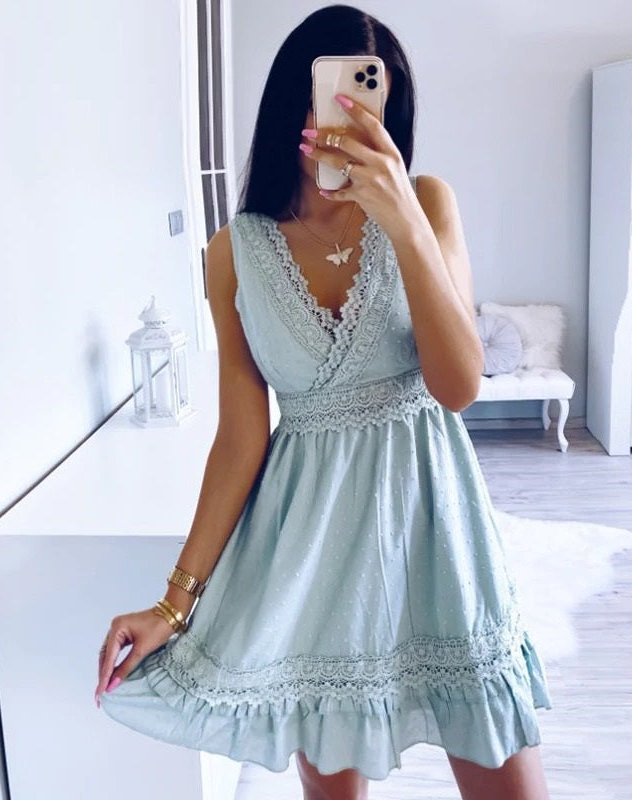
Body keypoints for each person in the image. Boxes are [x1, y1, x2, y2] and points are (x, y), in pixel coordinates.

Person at [95, 5, 553, 799]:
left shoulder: (428, 203)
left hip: (437, 537)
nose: (348, 124)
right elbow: (241, 438)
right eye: (331, 103)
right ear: (292, 107)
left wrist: (404, 221)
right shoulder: (233, 253)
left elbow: (459, 386)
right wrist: (172, 605)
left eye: (368, 106)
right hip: (312, 557)